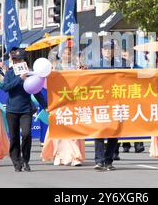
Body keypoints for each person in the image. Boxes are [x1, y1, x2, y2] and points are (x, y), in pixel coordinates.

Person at [1, 49, 47, 172]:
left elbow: (36, 91)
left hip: (26, 109)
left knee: (26, 134)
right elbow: (5, 87)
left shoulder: (31, 74)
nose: (18, 62)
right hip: (12, 110)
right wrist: (19, 79)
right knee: (14, 137)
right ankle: (16, 161)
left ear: (25, 61)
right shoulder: (10, 73)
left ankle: (26, 160)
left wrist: (45, 105)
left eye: (20, 60)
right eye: (15, 60)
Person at [41, 44, 86, 166]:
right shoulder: (56, 66)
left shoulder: (77, 67)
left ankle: (75, 156)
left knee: (74, 130)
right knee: (59, 129)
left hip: (74, 102)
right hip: (59, 102)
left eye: (70, 52)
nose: (68, 54)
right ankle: (58, 155)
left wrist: (82, 71)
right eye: (66, 52)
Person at [90, 40, 126, 171]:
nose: (107, 51)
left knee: (113, 132)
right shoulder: (94, 65)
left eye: (109, 48)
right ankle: (99, 161)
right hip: (100, 102)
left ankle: (109, 160)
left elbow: (135, 73)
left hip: (116, 102)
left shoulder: (121, 64)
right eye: (105, 48)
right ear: (101, 51)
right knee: (99, 132)